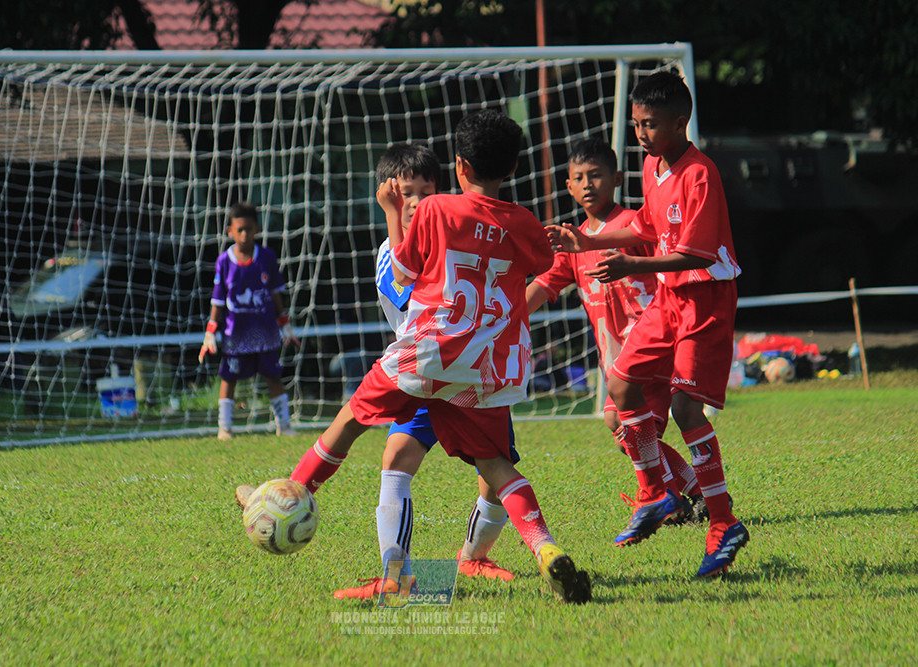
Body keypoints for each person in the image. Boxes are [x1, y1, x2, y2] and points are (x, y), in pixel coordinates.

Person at [285, 110, 591, 603]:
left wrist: (391, 213)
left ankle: (292, 496)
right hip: (491, 366)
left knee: (348, 423)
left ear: (458, 166)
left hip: (429, 354)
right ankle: (544, 545)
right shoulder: (524, 224)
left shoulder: (433, 213)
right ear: (512, 169)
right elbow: (543, 261)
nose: (411, 201)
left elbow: (405, 274)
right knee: (495, 467)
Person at [548, 71, 749, 578]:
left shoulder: (700, 173)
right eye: (636, 124)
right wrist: (588, 242)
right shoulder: (652, 165)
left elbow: (693, 253)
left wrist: (629, 265)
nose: (640, 133)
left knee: (685, 407)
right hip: (670, 297)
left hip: (704, 297)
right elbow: (646, 225)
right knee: (620, 384)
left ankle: (723, 522)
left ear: (681, 122)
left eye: (651, 124)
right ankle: (656, 491)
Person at [330, 143, 516, 600]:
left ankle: (473, 558)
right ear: (389, 197)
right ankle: (398, 576)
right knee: (395, 461)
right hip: (420, 375)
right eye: (405, 194)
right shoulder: (385, 255)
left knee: (497, 470)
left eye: (424, 191)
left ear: (441, 190)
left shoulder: (461, 236)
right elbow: (413, 300)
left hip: (470, 374)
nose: (415, 202)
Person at [527, 137, 706, 522]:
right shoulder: (574, 242)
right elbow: (545, 285)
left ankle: (669, 496)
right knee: (633, 434)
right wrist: (506, 315)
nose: (589, 184)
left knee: (623, 424)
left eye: (597, 175)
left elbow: (668, 259)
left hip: (653, 341)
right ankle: (688, 492)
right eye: (580, 177)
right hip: (617, 358)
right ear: (568, 186)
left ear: (617, 178)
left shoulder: (632, 225)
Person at [200, 202, 300, 439]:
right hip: (236, 335)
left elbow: (275, 294)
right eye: (239, 230)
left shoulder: (266, 257)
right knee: (229, 378)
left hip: (265, 332)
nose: (244, 234)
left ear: (256, 228)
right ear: (230, 231)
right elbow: (218, 300)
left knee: (273, 376)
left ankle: (284, 425)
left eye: (249, 229)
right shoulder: (224, 262)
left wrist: (284, 323)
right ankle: (224, 428)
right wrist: (210, 332)